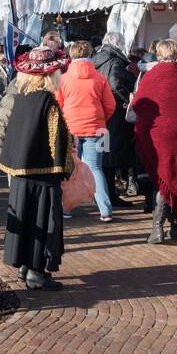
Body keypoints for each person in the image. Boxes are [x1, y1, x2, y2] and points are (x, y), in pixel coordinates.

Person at [0, 46, 72, 290]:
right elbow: (56, 140)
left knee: (26, 217)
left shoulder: (22, 98)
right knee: (42, 218)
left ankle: (24, 265)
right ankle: (36, 271)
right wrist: (64, 167)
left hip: (21, 175)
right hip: (43, 174)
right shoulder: (47, 101)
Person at [132, 40, 177, 243]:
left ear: (159, 54)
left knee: (164, 179)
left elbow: (138, 105)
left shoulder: (151, 75)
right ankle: (176, 227)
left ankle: (157, 228)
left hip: (158, 135)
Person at [55, 40, 117, 221]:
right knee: (96, 168)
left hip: (70, 130)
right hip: (97, 130)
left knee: (69, 170)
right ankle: (105, 210)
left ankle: (66, 207)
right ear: (91, 55)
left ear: (70, 56)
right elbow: (110, 106)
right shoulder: (100, 78)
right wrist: (100, 119)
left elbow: (57, 105)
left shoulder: (63, 79)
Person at [93, 32, 137, 199]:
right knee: (111, 153)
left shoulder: (96, 59)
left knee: (103, 151)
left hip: (99, 111)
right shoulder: (115, 61)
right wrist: (129, 99)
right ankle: (110, 194)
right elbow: (115, 83)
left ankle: (106, 193)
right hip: (114, 111)